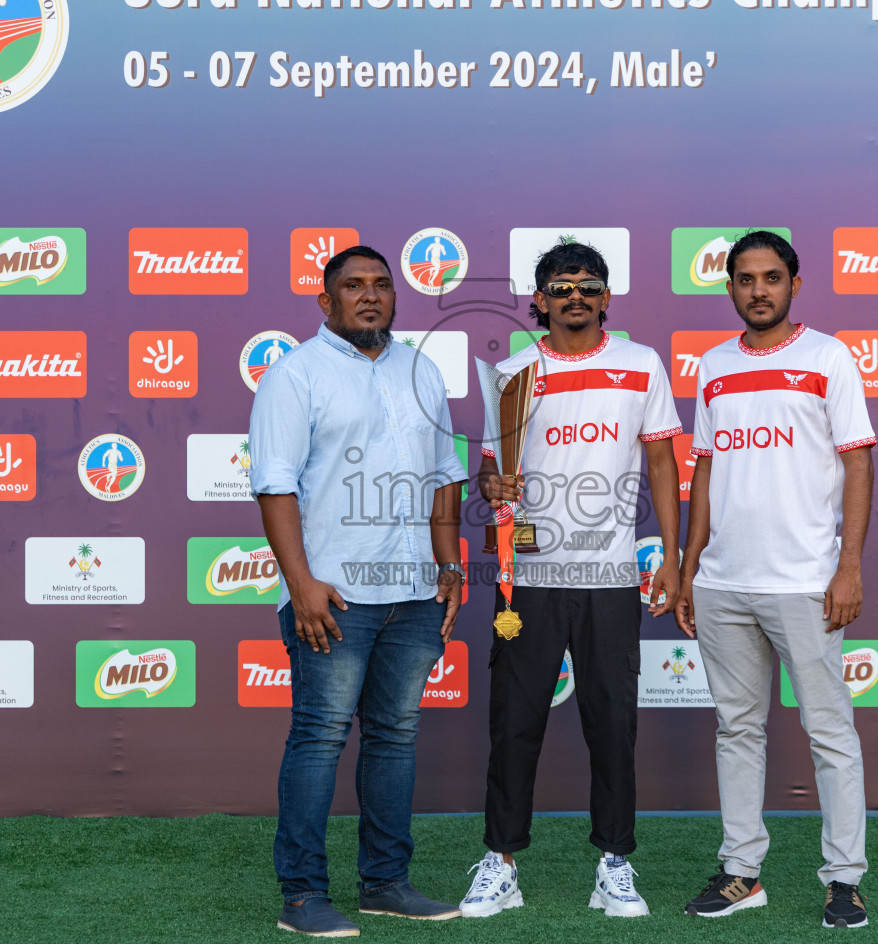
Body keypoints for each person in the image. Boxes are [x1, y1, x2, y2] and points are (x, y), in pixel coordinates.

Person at [460, 240, 682, 919]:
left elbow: (665, 467)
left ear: (606, 296)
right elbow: (494, 478)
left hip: (612, 576)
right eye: (562, 286)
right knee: (515, 723)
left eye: (588, 284)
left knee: (612, 726)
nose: (575, 295)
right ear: (543, 299)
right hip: (527, 579)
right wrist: (491, 483)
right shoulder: (515, 375)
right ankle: (501, 862)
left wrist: (670, 557)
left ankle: (614, 863)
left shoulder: (640, 364)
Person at [252, 245, 469, 937]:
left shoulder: (421, 369)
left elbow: (444, 474)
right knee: (318, 737)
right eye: (353, 287)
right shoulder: (294, 376)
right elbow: (275, 484)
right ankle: (301, 896)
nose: (369, 296)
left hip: (413, 592)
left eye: (381, 285)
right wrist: (302, 584)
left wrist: (450, 567)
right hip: (335, 594)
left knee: (395, 738)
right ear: (326, 301)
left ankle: (385, 883)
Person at [672, 229, 876, 929]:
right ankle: (741, 871)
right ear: (729, 287)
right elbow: (703, 471)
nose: (757, 290)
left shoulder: (828, 357)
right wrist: (688, 566)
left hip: (805, 581)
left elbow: (857, 462)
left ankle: (844, 879)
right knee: (737, 727)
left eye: (770, 277)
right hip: (723, 581)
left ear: (794, 284)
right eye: (744, 278)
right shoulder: (713, 365)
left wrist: (847, 566)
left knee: (829, 732)